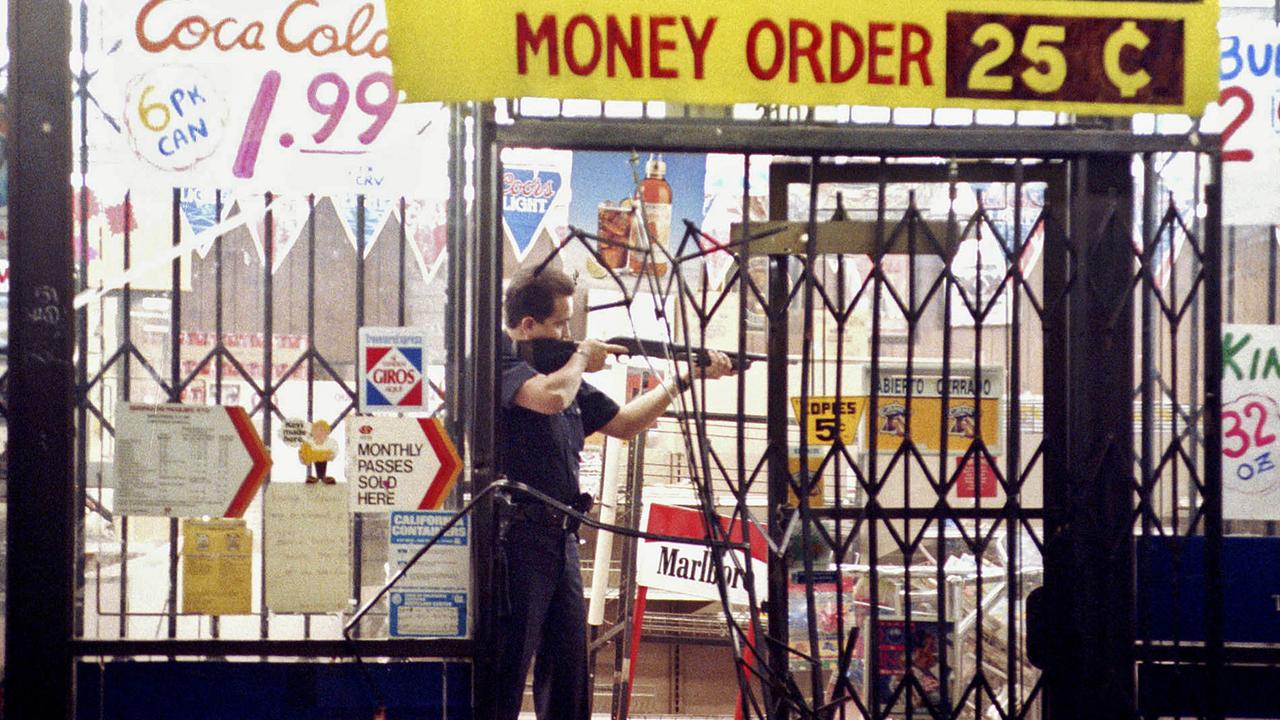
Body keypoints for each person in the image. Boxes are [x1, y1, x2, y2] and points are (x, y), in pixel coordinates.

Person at [484, 267, 734, 720]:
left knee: (568, 674)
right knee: (505, 672)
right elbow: (549, 399)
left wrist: (681, 379)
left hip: (560, 541)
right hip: (515, 542)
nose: (567, 333)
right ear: (527, 326)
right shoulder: (502, 362)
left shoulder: (562, 372)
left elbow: (624, 423)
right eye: (560, 323)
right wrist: (580, 358)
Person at [299, 420, 337, 484]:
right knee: (317, 457)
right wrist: (302, 454)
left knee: (321, 458)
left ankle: (321, 477)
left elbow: (333, 450)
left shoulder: (329, 442)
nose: (319, 432)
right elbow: (304, 448)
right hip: (314, 455)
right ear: (313, 431)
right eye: (316, 430)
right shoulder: (311, 442)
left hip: (322, 455)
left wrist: (332, 454)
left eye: (322, 430)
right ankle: (319, 477)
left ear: (326, 432)